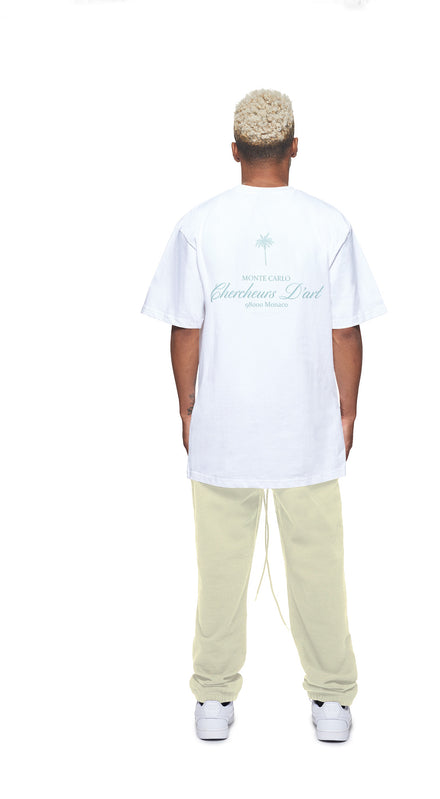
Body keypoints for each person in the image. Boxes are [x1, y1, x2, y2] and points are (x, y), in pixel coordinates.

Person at [140, 88, 387, 742]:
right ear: (295, 146)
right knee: (318, 566)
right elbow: (344, 330)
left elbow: (185, 327)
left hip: (224, 423)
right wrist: (347, 410)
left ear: (234, 150)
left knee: (218, 569)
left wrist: (187, 408)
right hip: (305, 424)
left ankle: (213, 696)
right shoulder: (328, 224)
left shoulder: (198, 224)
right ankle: (331, 699)